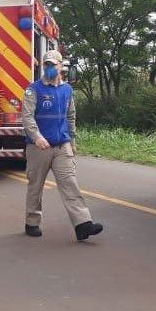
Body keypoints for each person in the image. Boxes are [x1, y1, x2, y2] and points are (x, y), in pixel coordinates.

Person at [22, 50, 103, 241]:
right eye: (46, 65)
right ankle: (31, 222)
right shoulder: (33, 90)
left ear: (61, 67)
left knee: (70, 184)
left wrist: (72, 141)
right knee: (36, 186)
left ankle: (83, 224)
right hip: (39, 147)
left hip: (62, 145)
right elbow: (27, 117)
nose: (49, 68)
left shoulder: (67, 90)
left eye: (53, 65)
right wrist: (37, 137)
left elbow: (71, 116)